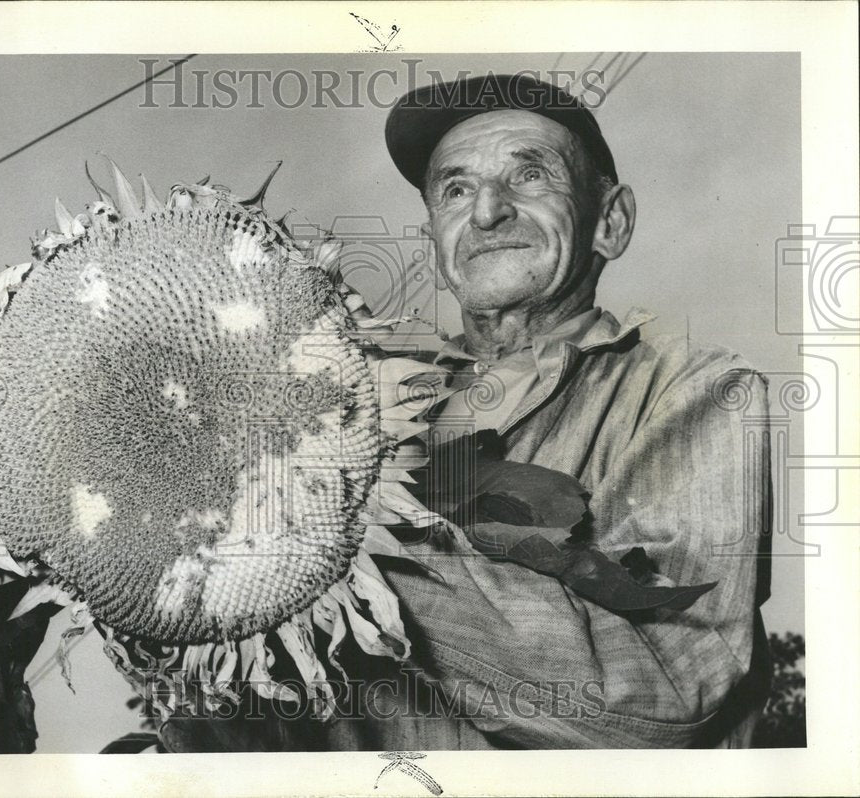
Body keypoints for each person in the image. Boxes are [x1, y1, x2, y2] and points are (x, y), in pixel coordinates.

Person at [161, 73, 773, 751]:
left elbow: (676, 686)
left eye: (530, 176)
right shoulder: (351, 412)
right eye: (455, 190)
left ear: (610, 222)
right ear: (436, 237)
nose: (486, 213)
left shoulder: (692, 389)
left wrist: (336, 534)